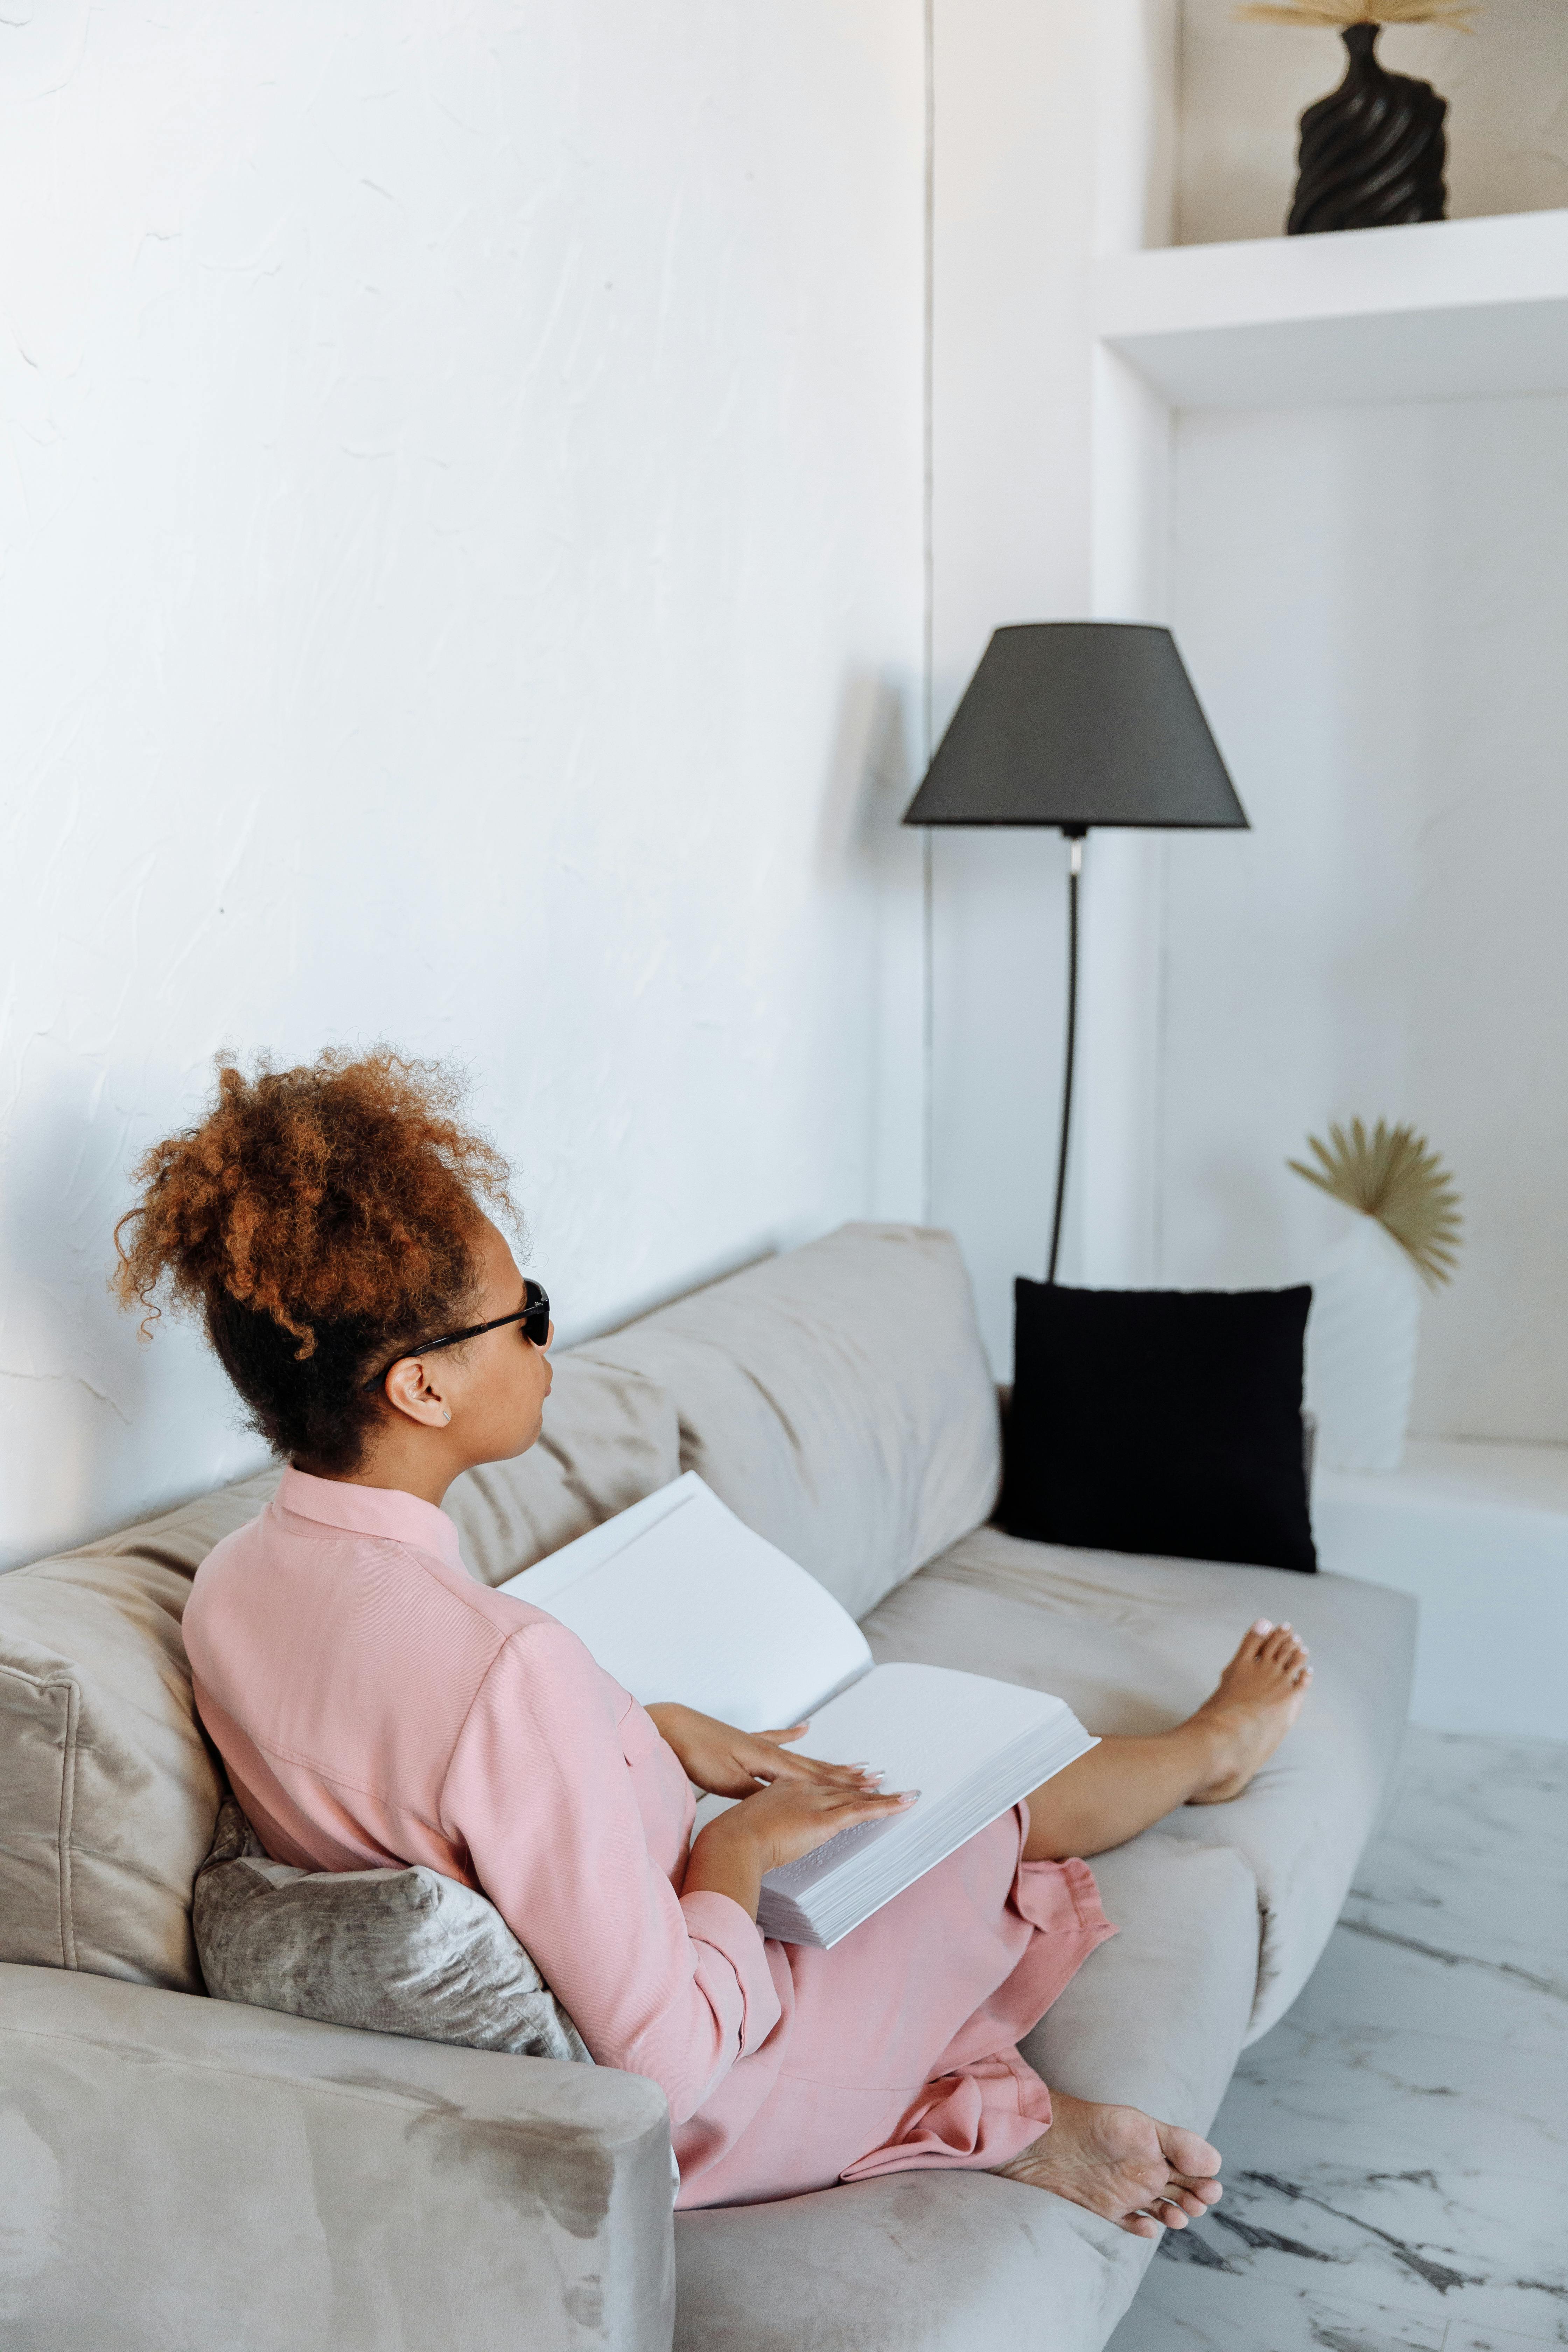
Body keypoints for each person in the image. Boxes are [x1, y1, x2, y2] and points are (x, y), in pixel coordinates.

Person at [115, 1049, 1311, 2227]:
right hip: (711, 2102)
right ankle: (1207, 1763)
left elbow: (432, 1781)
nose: (546, 1348)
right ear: (422, 1389)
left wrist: (648, 1734)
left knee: (878, 1791)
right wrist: (737, 1853)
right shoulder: (504, 1666)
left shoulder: (231, 1585)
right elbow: (671, 2065)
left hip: (596, 1959)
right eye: (524, 1317)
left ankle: (1008, 2083)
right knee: (962, 1804)